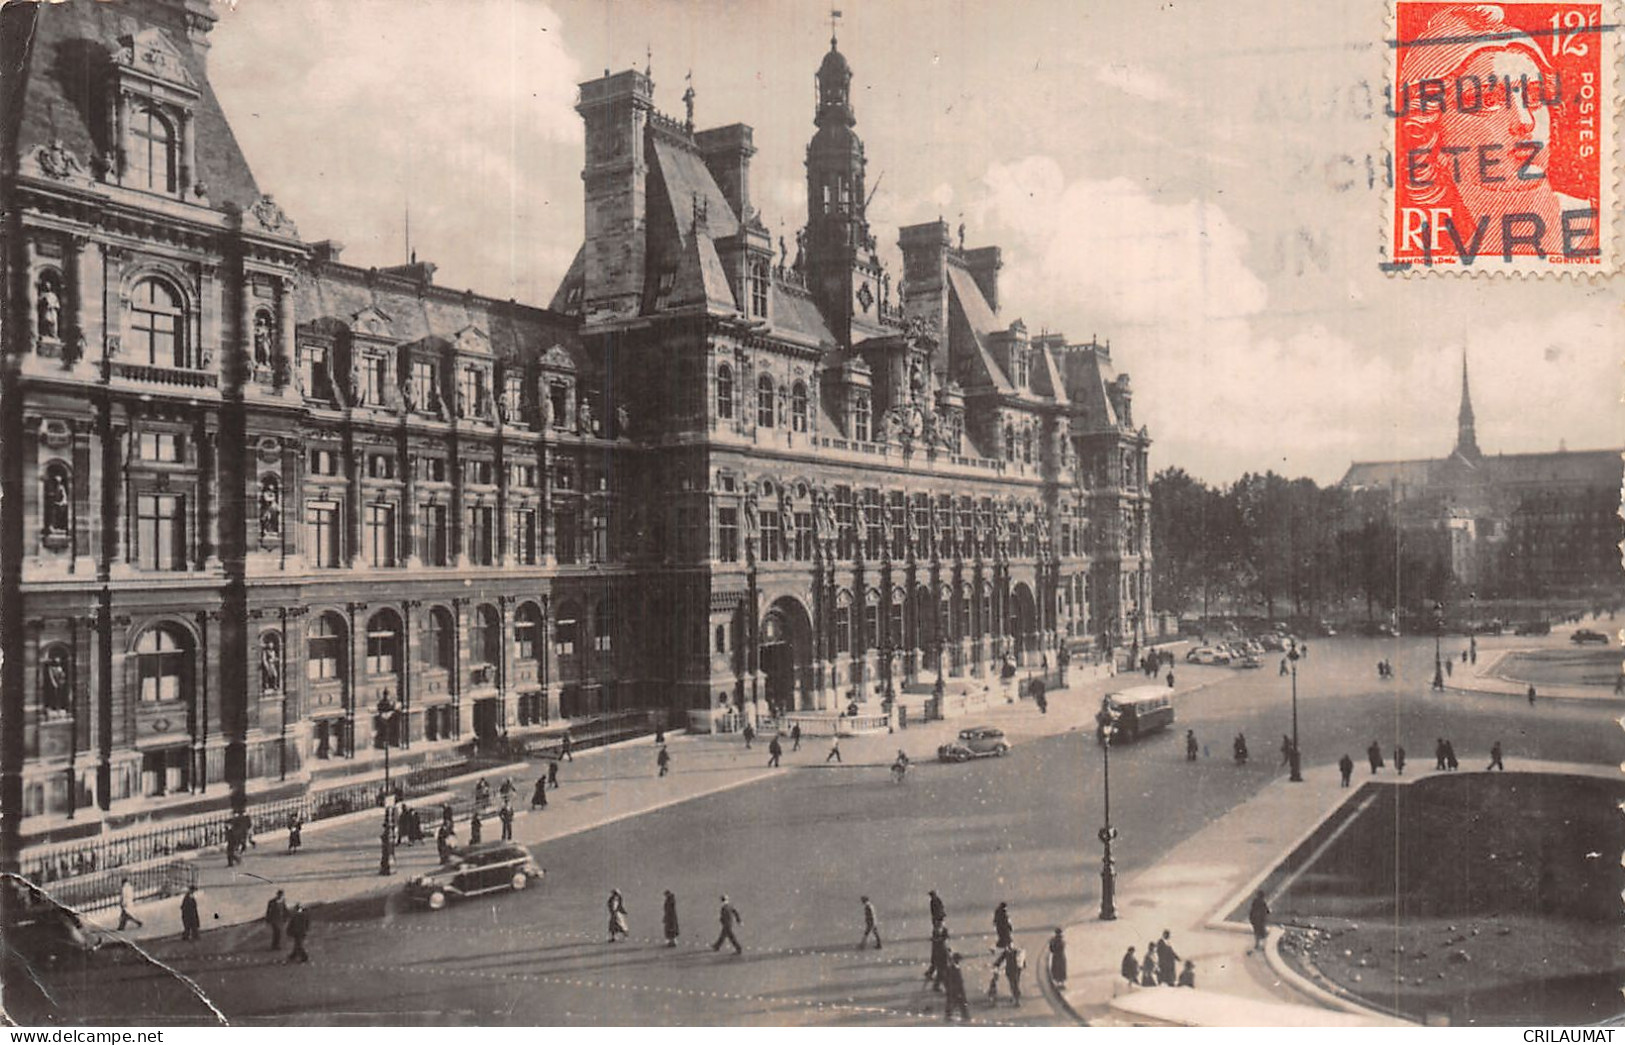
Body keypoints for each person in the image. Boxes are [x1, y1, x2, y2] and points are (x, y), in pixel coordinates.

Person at [1393, 3, 1600, 264]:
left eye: (1535, 96)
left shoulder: (1596, 228)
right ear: (1433, 133)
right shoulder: (1452, 258)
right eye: (1489, 100)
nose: (1525, 121)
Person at [943, 952, 970, 1023]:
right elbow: (955, 980)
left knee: (953, 1002)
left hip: (953, 989)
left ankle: (949, 1015)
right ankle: (965, 1015)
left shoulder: (951, 968)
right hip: (956, 989)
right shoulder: (954, 968)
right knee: (960, 1002)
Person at [925, 922, 951, 990]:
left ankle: (937, 985)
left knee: (942, 972)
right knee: (942, 971)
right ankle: (938, 986)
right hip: (940, 955)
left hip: (941, 955)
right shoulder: (939, 939)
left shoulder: (938, 934)